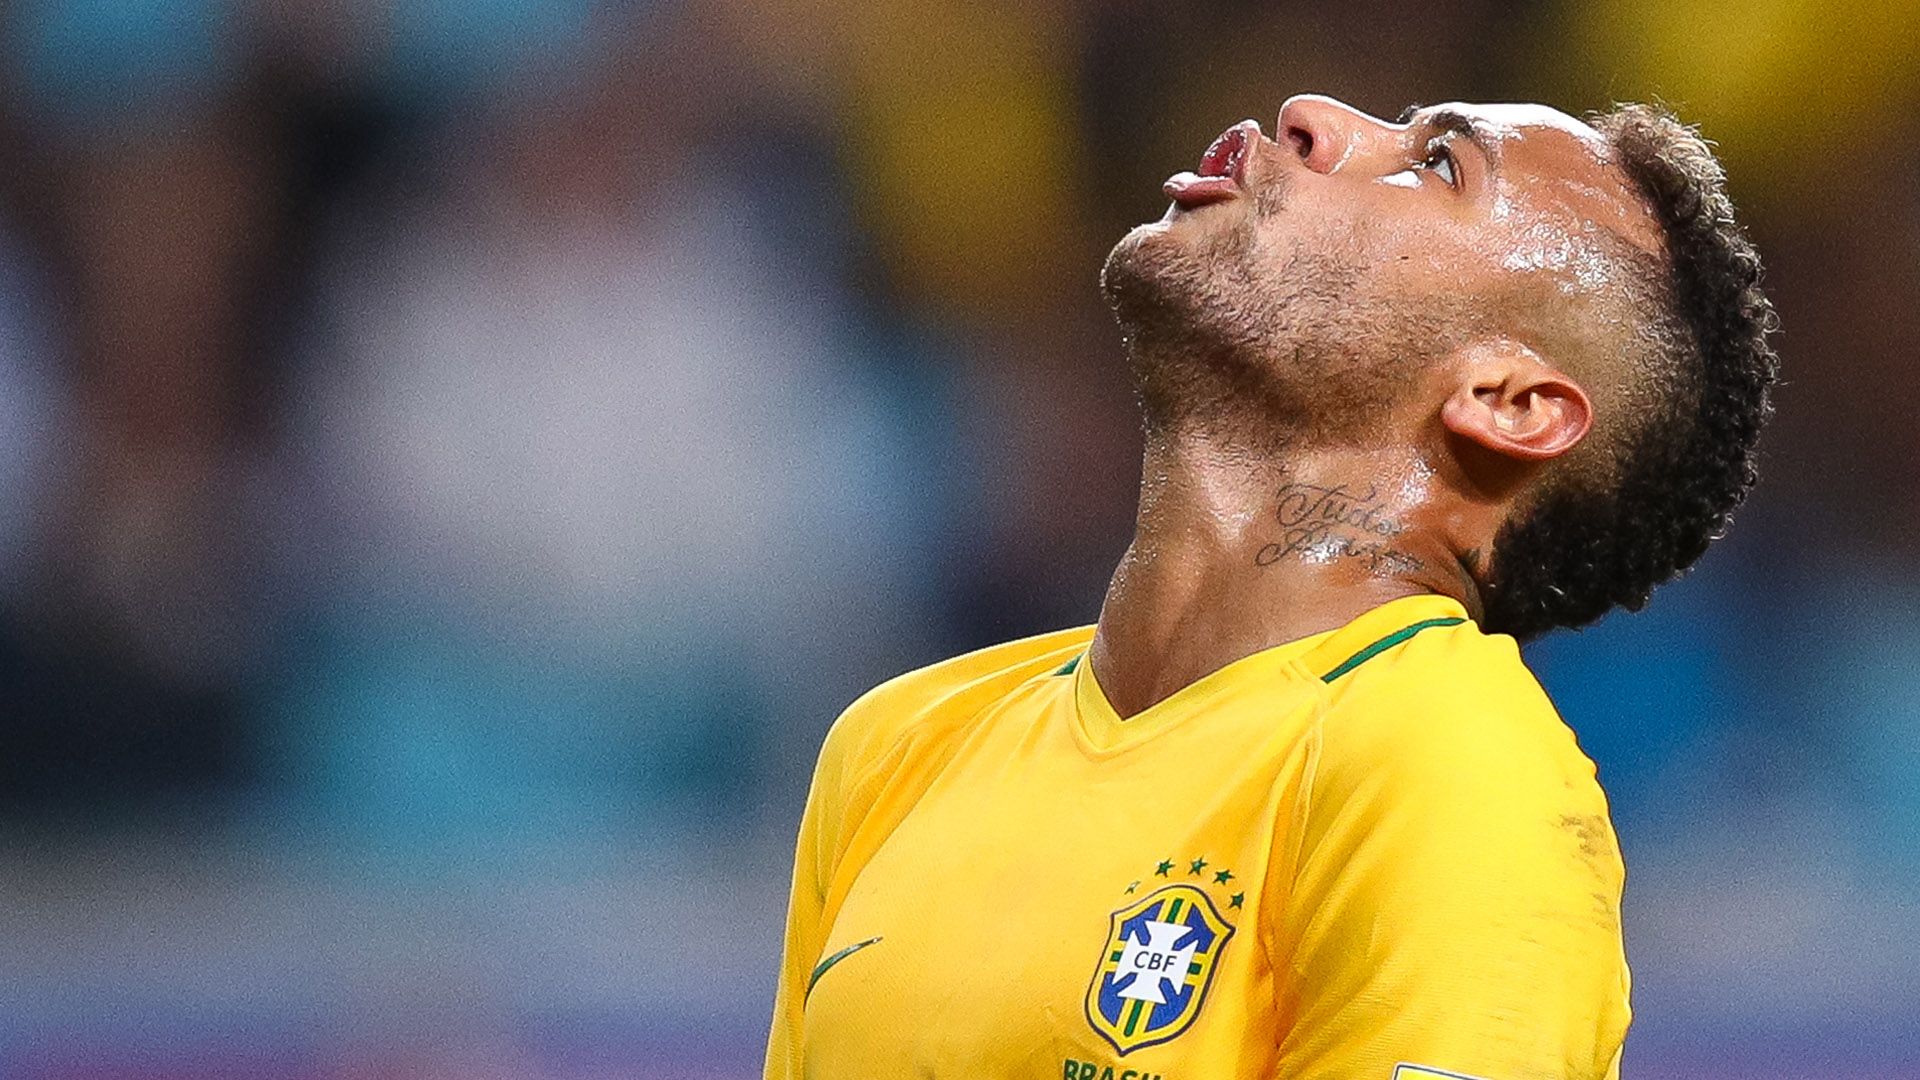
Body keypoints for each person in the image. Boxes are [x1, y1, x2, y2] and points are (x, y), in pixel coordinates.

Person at [764, 94, 1779, 1080]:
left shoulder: (1449, 766)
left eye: (1436, 165)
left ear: (1506, 403)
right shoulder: (901, 744)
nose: (1310, 115)